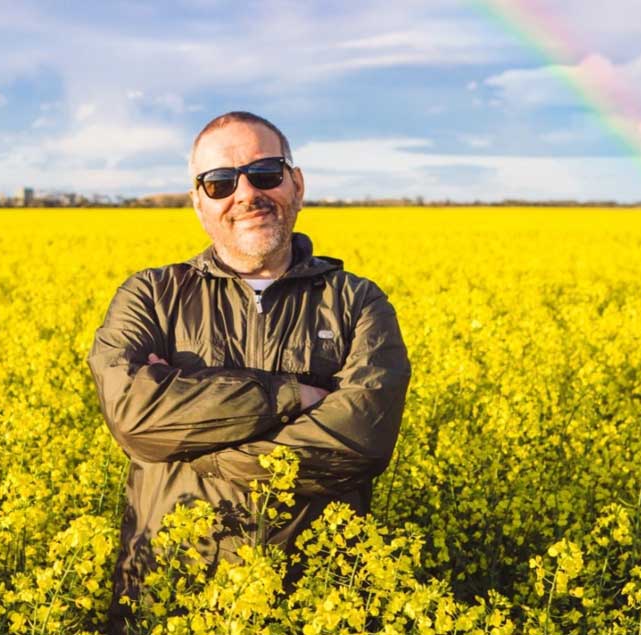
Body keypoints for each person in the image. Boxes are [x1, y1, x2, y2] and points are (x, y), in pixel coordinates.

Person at [87, 111, 411, 632]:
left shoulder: (356, 302)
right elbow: (133, 415)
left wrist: (193, 446)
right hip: (168, 599)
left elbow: (361, 441)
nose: (245, 194)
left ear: (296, 183)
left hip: (314, 606)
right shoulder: (151, 296)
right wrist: (291, 397)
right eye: (219, 183)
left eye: (265, 174)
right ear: (198, 202)